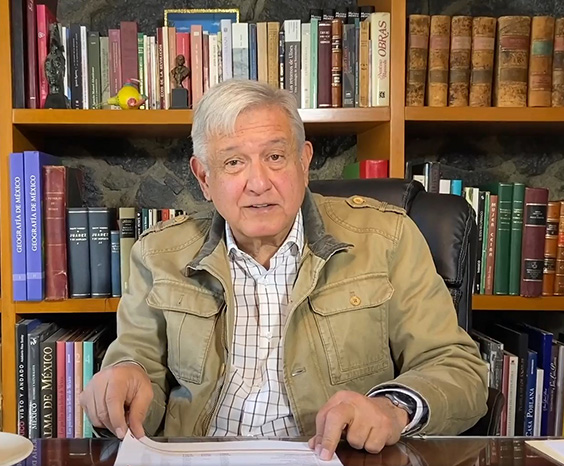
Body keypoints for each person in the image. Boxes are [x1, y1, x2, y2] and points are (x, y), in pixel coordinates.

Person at [80, 79, 488, 459]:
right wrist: (124, 380)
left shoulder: (387, 239)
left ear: (303, 161)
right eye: (234, 162)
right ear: (204, 178)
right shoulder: (159, 253)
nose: (259, 183)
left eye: (275, 157)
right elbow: (137, 363)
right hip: (199, 457)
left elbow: (458, 368)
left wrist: (392, 408)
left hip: (332, 457)